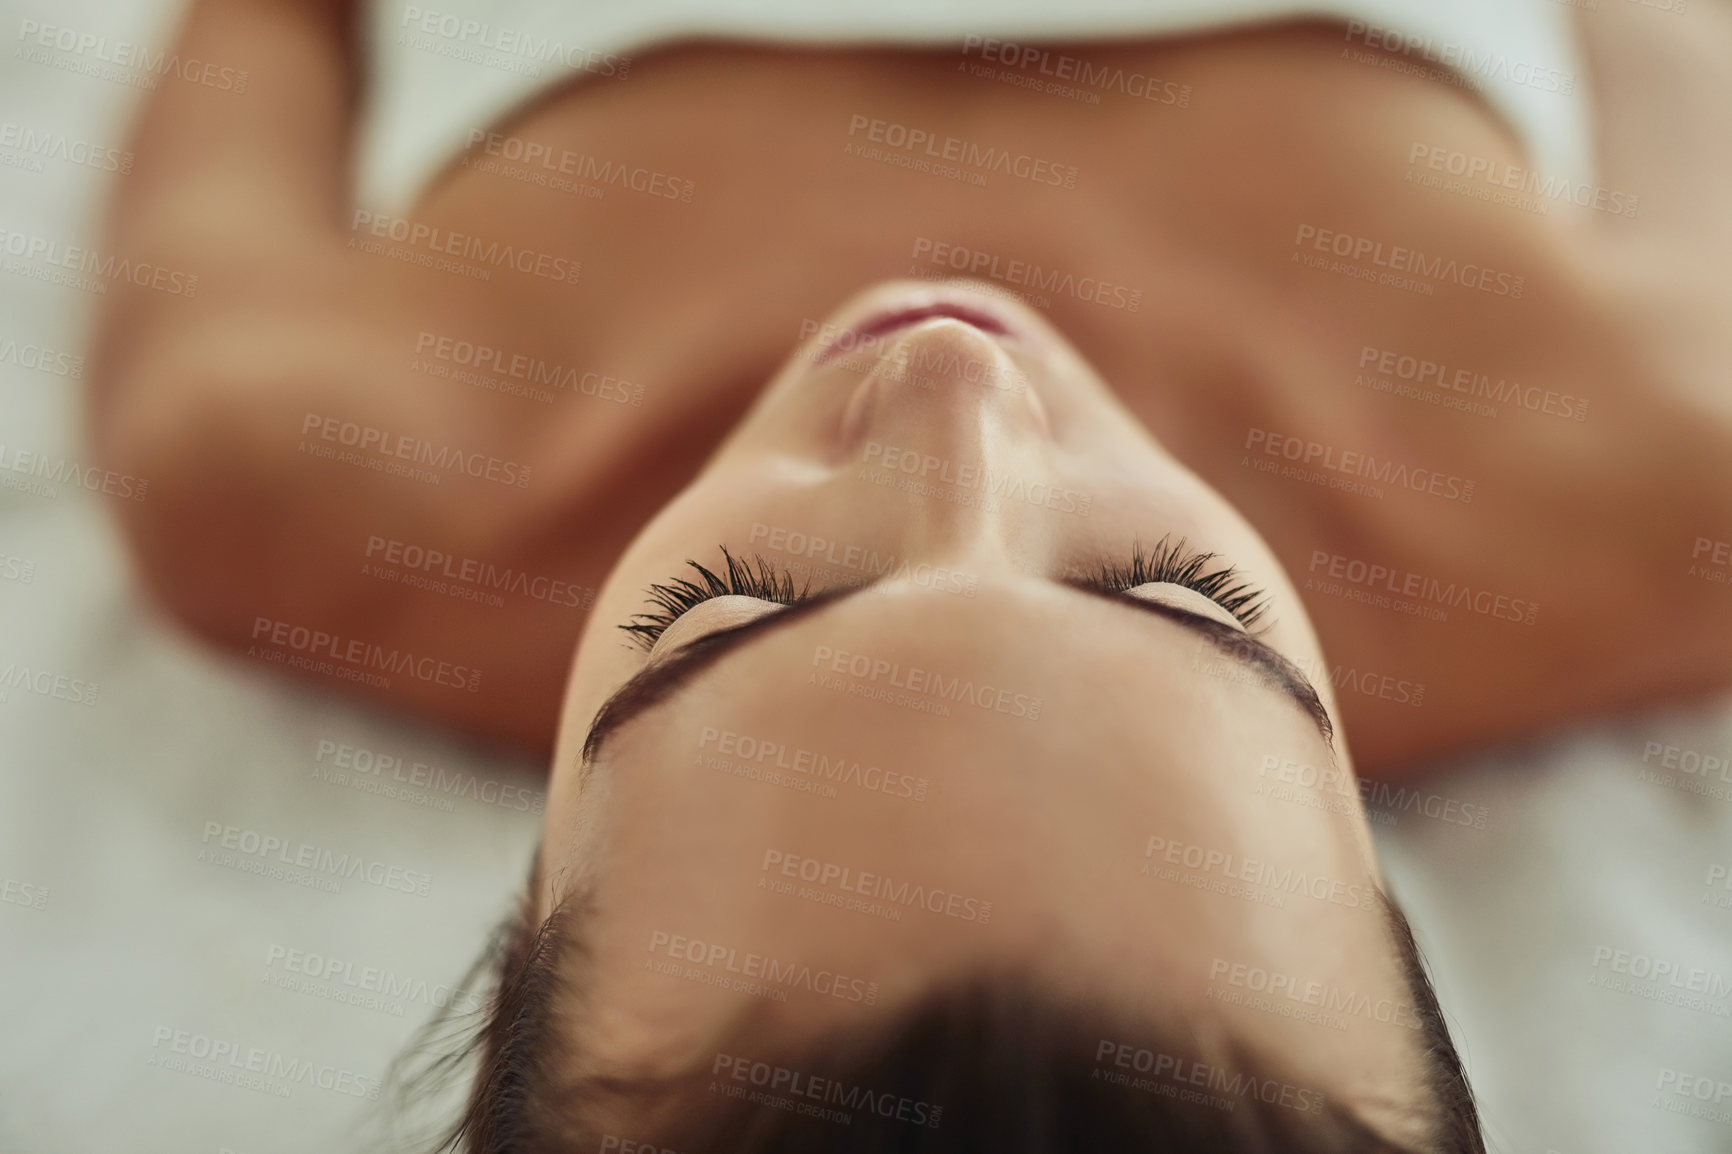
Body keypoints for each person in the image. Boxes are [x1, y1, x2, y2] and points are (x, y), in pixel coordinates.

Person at [81, 0, 1732, 1148]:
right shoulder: (1671, 486)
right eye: (1171, 593)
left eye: (735, 605)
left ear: (528, 902)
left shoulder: (284, 477)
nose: (958, 383)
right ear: (1382, 893)